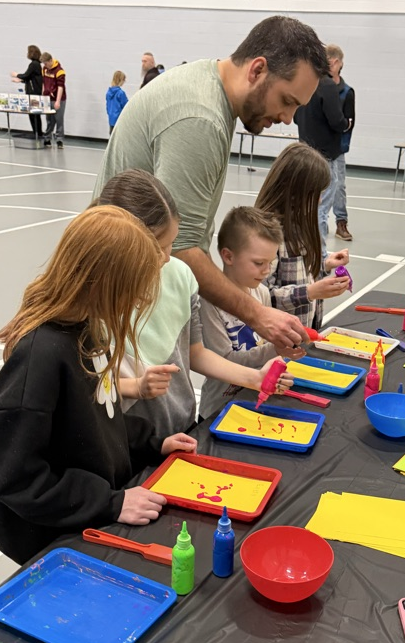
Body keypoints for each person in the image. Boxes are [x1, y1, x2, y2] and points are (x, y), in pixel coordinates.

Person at [94, 15, 329, 355]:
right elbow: (180, 248)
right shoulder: (200, 118)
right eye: (287, 101)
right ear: (257, 70)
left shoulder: (209, 89)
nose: (288, 119)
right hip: (126, 296)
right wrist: (258, 315)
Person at [0, 205, 197, 566]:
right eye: (134, 288)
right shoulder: (40, 357)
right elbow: (17, 478)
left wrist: (152, 442)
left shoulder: (86, 332)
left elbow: (100, 418)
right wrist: (108, 503)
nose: (141, 299)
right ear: (102, 283)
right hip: (54, 540)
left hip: (89, 513)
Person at [94, 171, 293, 434]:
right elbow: (88, 386)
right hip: (127, 438)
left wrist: (255, 378)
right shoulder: (94, 299)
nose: (167, 258)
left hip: (180, 426)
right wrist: (135, 387)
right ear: (125, 243)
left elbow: (195, 353)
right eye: (159, 248)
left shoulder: (180, 275)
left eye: (172, 244)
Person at [199, 206, 298, 421]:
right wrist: (274, 349)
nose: (266, 271)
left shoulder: (261, 292)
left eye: (270, 263)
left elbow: (262, 347)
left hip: (253, 401)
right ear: (228, 256)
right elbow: (224, 360)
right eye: (259, 263)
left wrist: (277, 367)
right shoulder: (209, 303)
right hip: (218, 410)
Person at [255, 143, 351, 330]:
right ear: (296, 191)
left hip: (302, 332)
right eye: (315, 194)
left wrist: (325, 265)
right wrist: (309, 292)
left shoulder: (299, 223)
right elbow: (262, 298)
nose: (320, 200)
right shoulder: (267, 234)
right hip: (277, 337)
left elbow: (298, 274)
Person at [294, 42, 353, 244]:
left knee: (310, 198)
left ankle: (308, 243)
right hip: (324, 152)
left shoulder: (304, 81)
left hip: (305, 149)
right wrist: (346, 124)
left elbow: (295, 116)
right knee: (323, 200)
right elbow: (336, 120)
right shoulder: (327, 85)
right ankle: (318, 250)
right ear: (333, 62)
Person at [11, 44, 43, 138]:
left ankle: (37, 133)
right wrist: (21, 81)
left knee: (34, 115)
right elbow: (30, 78)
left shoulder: (33, 64)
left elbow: (26, 75)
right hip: (35, 92)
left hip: (33, 94)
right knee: (35, 114)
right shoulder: (37, 64)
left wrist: (17, 75)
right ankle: (37, 132)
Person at [41, 51, 66, 148]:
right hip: (48, 98)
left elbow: (60, 87)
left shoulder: (60, 71)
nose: (45, 66)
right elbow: (44, 83)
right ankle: (47, 138)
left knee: (58, 119)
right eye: (44, 64)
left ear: (51, 60)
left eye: (46, 63)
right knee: (49, 120)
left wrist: (58, 101)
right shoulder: (44, 69)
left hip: (58, 98)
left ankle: (59, 140)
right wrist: (43, 96)